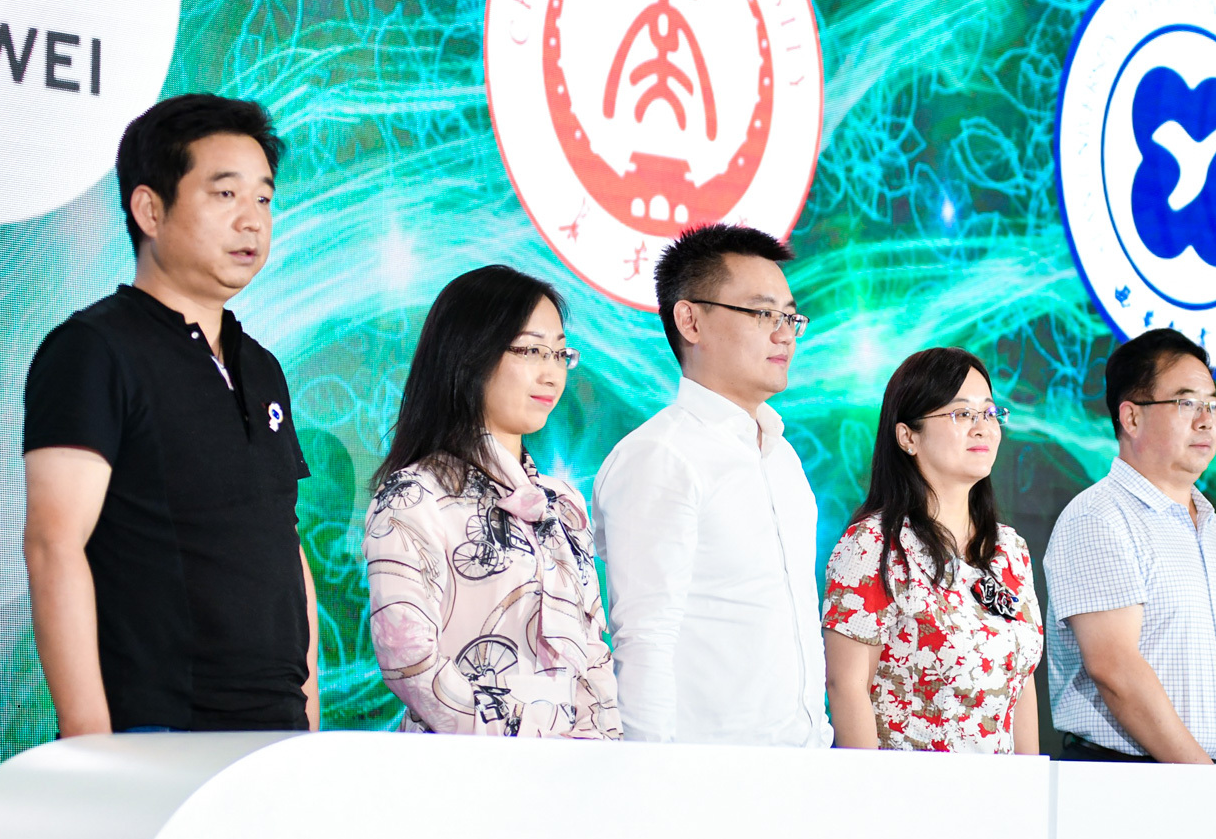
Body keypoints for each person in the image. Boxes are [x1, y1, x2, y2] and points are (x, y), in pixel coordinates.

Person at [22, 94, 317, 735]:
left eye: (264, 199)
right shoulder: (92, 350)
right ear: (150, 210)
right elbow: (53, 545)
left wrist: (306, 713)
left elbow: (283, 540)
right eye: (225, 194)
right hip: (155, 732)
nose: (252, 221)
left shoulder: (262, 366)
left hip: (275, 732)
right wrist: (91, 743)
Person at [593, 224, 830, 746]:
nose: (785, 334)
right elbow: (644, 639)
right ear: (691, 320)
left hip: (804, 761)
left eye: (791, 317)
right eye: (763, 314)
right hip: (705, 771)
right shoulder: (660, 456)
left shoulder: (782, 456)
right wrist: (650, 775)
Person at [363, 266, 620, 738]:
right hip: (464, 765)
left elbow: (591, 655)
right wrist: (523, 739)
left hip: (569, 768)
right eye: (530, 350)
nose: (551, 372)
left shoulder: (562, 504)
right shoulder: (414, 495)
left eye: (560, 353)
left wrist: (598, 748)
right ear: (469, 353)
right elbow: (408, 659)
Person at [1043, 329, 1216, 765]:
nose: (1206, 421)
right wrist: (1205, 779)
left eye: (1213, 405)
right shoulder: (1098, 517)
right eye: (1187, 404)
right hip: (1131, 777)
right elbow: (1114, 667)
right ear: (1131, 418)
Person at [822, 348, 1042, 753]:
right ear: (908, 437)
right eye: (962, 414)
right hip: (910, 787)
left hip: (1003, 789)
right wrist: (866, 788)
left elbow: (1020, 684)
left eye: (990, 413)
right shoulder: (875, 544)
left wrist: (1029, 783)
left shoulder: (1010, 549)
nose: (983, 428)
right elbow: (846, 686)